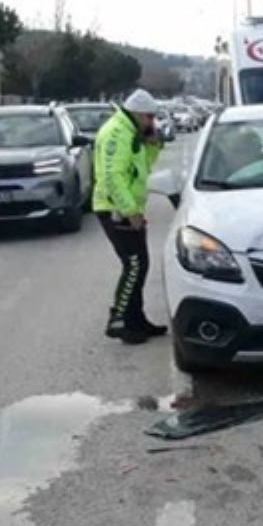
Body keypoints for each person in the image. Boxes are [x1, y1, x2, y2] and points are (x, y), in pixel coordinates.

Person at [94, 89, 167, 344]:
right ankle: (120, 318)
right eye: (148, 117)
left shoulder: (131, 131)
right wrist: (129, 211)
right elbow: (113, 178)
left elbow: (143, 167)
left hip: (129, 208)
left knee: (140, 264)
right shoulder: (117, 133)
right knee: (134, 265)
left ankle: (137, 320)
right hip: (116, 209)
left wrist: (153, 144)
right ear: (136, 113)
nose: (151, 122)